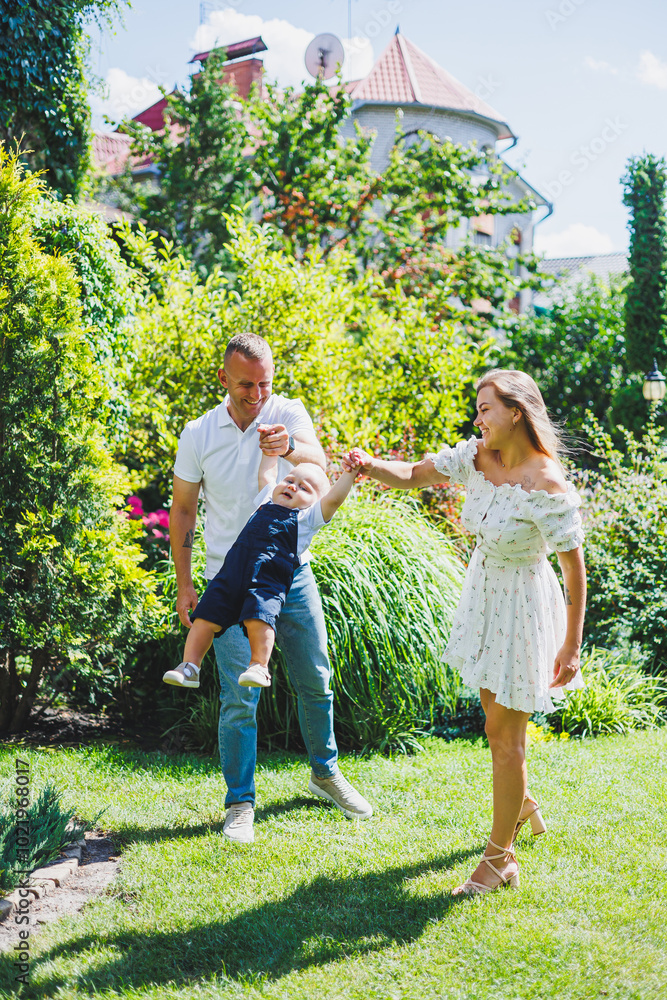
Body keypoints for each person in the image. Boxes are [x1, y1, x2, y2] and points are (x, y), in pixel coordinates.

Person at [346, 369, 586, 895]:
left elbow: (574, 570)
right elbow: (412, 473)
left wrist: (570, 644)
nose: (477, 419)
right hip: (484, 597)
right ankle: (521, 806)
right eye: (477, 410)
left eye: (485, 409)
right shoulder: (478, 458)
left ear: (516, 413)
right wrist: (368, 465)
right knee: (495, 730)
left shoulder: (546, 484)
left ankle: (500, 860)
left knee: (506, 740)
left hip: (524, 605)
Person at [170, 332, 373, 844]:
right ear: (223, 378)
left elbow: (319, 465)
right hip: (226, 577)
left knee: (316, 679)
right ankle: (240, 804)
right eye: (245, 385)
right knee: (239, 701)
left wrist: (289, 446)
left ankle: (325, 774)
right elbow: (184, 511)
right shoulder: (198, 433)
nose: (257, 395)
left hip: (291, 574)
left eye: (264, 383)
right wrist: (184, 582)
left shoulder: (287, 410)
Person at [164, 448, 361, 691]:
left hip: (267, 582)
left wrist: (349, 474)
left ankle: (259, 666)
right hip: (231, 575)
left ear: (316, 503)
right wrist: (269, 450)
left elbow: (334, 499)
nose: (292, 487)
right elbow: (267, 474)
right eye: (290, 480)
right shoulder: (267, 499)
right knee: (204, 617)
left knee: (258, 618)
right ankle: (190, 666)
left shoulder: (307, 519)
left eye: (304, 488)